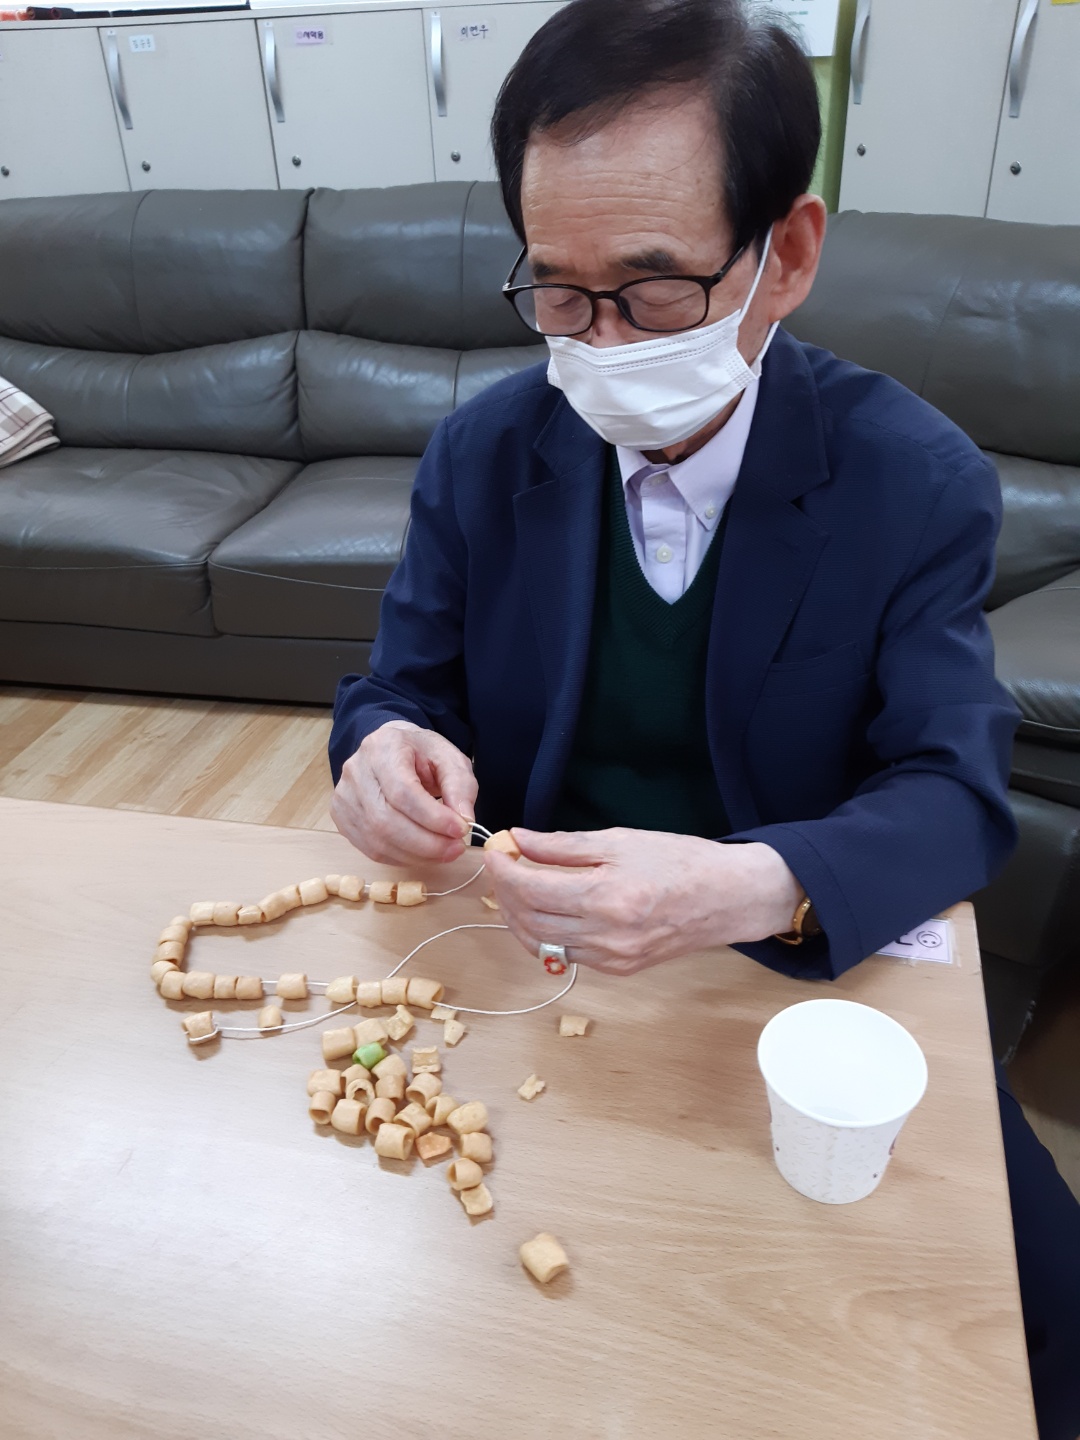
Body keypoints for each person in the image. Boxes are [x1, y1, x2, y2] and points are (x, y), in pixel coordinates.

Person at [328, 2, 1080, 1432]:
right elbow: (398, 688)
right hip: (532, 967)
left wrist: (754, 883)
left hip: (802, 982)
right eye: (558, 291)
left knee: (1032, 1316)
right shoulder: (483, 454)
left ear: (784, 255)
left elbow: (958, 789)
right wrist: (377, 750)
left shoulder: (914, 480)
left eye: (655, 287)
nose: (600, 342)